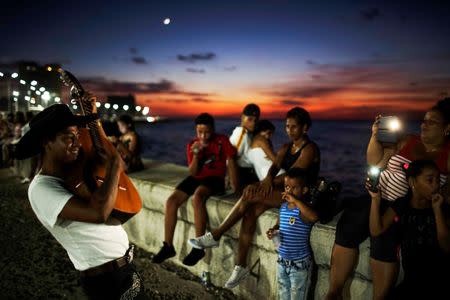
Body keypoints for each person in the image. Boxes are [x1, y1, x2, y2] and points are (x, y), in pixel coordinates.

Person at [15, 103, 148, 300]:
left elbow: (98, 147)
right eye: (69, 137)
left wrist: (92, 115)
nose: (77, 143)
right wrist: (113, 167)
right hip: (106, 280)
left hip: (123, 270)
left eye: (77, 136)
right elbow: (99, 213)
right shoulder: (41, 189)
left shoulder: (75, 175)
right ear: (46, 142)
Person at [326, 98, 450, 300]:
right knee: (350, 223)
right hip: (378, 195)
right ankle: (334, 292)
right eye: (424, 120)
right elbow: (373, 160)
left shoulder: (447, 155)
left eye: (431, 122)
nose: (423, 125)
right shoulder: (408, 140)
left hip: (404, 208)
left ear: (447, 129)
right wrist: (375, 137)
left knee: (385, 240)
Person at [189, 107, 320, 288]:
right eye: (287, 126)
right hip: (284, 192)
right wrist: (266, 179)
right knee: (250, 212)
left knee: (249, 194)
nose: (289, 130)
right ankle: (240, 266)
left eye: (294, 127)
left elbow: (290, 175)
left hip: (300, 197)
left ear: (305, 128)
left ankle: (217, 234)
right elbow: (274, 167)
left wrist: (262, 184)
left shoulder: (309, 149)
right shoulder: (285, 147)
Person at [152, 113, 238, 266]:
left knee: (198, 197)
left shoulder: (221, 140)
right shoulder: (192, 144)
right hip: (197, 177)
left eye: (207, 132)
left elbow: (231, 160)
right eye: (200, 132)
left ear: (213, 129)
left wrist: (234, 184)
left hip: (214, 179)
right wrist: (196, 155)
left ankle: (199, 246)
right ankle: (168, 246)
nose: (203, 136)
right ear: (196, 131)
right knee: (171, 201)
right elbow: (192, 172)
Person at [368, 159, 450, 299]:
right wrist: (375, 200)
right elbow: (376, 230)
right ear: (412, 182)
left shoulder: (442, 208)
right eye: (430, 180)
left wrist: (437, 212)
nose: (436, 185)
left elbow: (447, 246)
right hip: (412, 281)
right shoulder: (402, 204)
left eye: (437, 180)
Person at [266, 168, 318, 300]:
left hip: (299, 264)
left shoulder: (302, 210)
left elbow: (313, 217)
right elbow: (279, 225)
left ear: (304, 190)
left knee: (297, 295)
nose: (289, 191)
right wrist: (273, 230)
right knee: (283, 293)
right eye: (287, 187)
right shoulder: (283, 207)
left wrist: (296, 201)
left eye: (294, 188)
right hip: (282, 260)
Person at [228, 103, 261, 191]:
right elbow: (230, 159)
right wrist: (235, 185)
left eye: (256, 120)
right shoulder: (242, 133)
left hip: (249, 173)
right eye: (250, 119)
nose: (253, 123)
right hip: (243, 175)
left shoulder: (247, 133)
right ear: (242, 118)